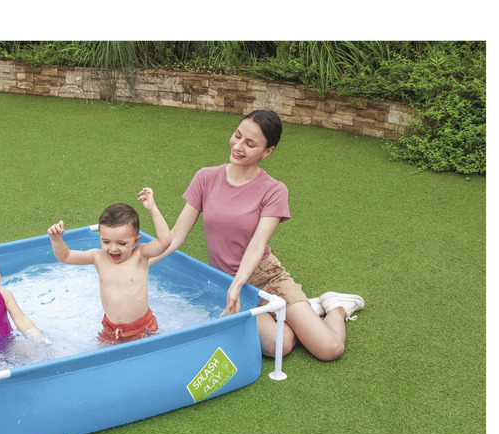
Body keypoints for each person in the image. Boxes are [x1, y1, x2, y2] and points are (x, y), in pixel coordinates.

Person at [150, 110, 364, 361]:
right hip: (227, 281)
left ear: (267, 151)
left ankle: (335, 307)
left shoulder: (273, 190)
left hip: (266, 276)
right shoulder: (205, 177)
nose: (238, 146)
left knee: (330, 349)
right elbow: (177, 235)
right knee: (279, 346)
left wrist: (238, 284)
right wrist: (142, 261)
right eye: (237, 135)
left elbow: (257, 244)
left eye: (250, 144)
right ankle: (300, 313)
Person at [47, 188, 172, 343]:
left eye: (122, 243)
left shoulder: (140, 255)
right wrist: (56, 239)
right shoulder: (98, 257)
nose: (113, 248)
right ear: (99, 237)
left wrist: (152, 208)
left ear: (135, 241)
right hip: (110, 328)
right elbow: (65, 256)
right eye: (106, 242)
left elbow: (165, 241)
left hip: (141, 327)